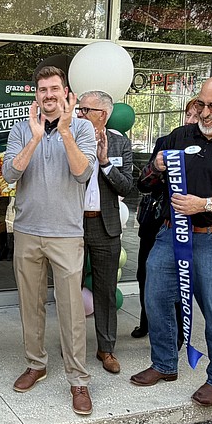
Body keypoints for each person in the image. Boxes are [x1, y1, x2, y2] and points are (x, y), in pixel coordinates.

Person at [129, 74, 212, 407]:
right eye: (201, 104)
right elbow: (144, 185)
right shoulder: (179, 135)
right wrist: (156, 167)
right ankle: (164, 364)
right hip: (169, 233)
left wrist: (205, 204)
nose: (205, 112)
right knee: (157, 298)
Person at [3, 66, 97, 416]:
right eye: (43, 90)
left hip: (67, 233)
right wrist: (34, 138)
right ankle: (36, 364)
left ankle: (78, 380)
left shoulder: (83, 128)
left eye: (54, 89)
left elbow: (83, 172)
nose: (48, 95)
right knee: (30, 304)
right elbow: (10, 174)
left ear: (66, 93)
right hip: (28, 230)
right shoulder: (21, 128)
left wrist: (67, 132)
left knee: (72, 310)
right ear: (36, 95)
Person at [131, 98, 201, 338]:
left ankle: (179, 330)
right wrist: (157, 168)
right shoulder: (167, 141)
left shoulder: (207, 148)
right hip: (158, 218)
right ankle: (147, 321)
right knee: (146, 273)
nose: (191, 121)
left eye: (197, 116)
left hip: (189, 223)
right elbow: (144, 182)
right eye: (188, 115)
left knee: (179, 278)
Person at [76, 90, 134, 374]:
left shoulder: (120, 143)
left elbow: (126, 186)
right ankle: (73, 346)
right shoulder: (71, 138)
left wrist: (105, 162)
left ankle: (106, 348)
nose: (80, 114)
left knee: (106, 291)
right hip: (72, 224)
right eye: (79, 109)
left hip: (105, 224)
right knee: (70, 289)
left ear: (104, 114)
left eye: (86, 110)